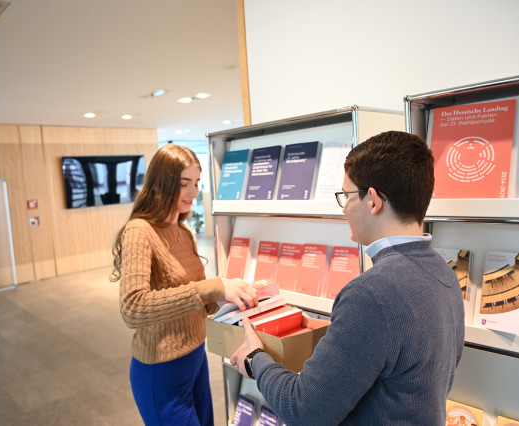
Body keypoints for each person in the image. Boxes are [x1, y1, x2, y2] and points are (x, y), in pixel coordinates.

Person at [230, 131, 465, 425]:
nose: (344, 209)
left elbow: (304, 411)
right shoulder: (445, 274)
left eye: (346, 196)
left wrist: (256, 359)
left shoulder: (372, 294)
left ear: (373, 200)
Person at [111, 143, 258, 426]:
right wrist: (211, 288)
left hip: (195, 358)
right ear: (162, 184)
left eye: (197, 183)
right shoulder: (140, 231)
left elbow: (194, 298)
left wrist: (230, 295)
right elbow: (132, 308)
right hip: (160, 369)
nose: (194, 192)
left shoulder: (183, 230)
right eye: (184, 184)